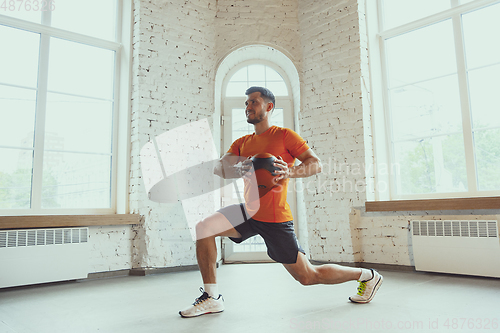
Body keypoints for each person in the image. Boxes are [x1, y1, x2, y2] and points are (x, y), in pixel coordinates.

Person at [179, 86, 383, 318]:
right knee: (204, 227)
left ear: (269, 107)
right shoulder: (242, 142)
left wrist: (290, 171)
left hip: (274, 218)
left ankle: (367, 275)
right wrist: (236, 168)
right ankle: (212, 297)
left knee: (307, 276)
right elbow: (219, 167)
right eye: (246, 103)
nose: (248, 107)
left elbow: (316, 163)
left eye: (253, 102)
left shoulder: (284, 136)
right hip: (248, 212)